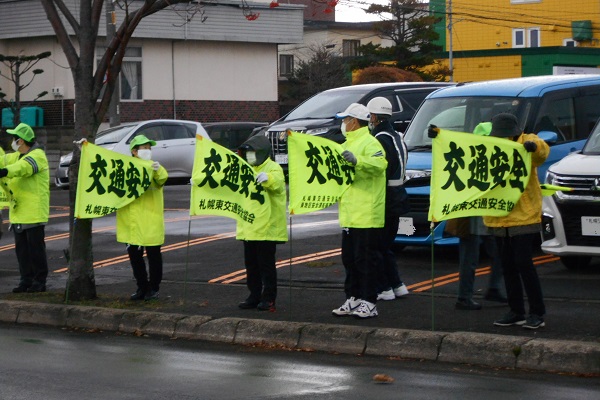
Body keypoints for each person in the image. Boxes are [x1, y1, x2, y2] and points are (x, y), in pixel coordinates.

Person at [483, 113, 549, 329]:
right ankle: (516, 311)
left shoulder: (526, 141)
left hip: (523, 215)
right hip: (498, 217)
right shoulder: (490, 144)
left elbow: (542, 150)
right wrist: (438, 136)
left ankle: (537, 312)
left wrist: (533, 147)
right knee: (507, 266)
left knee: (524, 264)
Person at [332, 103, 387, 319]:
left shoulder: (370, 142)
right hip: (350, 213)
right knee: (350, 260)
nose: (343, 124)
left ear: (354, 121)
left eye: (345, 120)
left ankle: (369, 301)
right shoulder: (348, 143)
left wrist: (358, 161)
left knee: (366, 260)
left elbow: (379, 164)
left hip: (367, 213)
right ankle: (353, 297)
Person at [447, 122, 506, 310]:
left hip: (486, 215)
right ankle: (464, 297)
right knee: (471, 258)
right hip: (473, 216)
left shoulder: (484, 155)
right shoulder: (476, 157)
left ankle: (492, 289)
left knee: (497, 253)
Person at [365, 97, 410, 301]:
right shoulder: (398, 136)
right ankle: (397, 285)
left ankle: (384, 288)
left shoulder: (379, 139)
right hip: (399, 195)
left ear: (374, 116)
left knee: (376, 246)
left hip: (385, 197)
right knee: (385, 245)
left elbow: (379, 169)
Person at [237, 134, 287, 312]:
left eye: (252, 152)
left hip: (266, 227)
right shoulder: (244, 168)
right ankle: (254, 295)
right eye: (247, 153)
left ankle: (269, 298)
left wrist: (269, 179)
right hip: (249, 226)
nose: (249, 156)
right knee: (251, 264)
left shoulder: (273, 168)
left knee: (266, 265)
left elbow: (278, 183)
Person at [116, 135, 168, 301]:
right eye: (143, 148)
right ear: (134, 151)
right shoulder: (125, 168)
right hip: (130, 221)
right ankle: (141, 287)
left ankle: (153, 288)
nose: (147, 151)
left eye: (148, 148)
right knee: (135, 258)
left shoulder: (154, 168)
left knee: (154, 257)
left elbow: (162, 178)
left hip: (150, 219)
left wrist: (157, 169)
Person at [0, 123, 50, 293]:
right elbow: (4, 159)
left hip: (34, 212)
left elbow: (24, 168)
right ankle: (26, 280)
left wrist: (4, 171)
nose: (12, 141)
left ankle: (39, 281)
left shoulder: (37, 155)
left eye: (14, 138)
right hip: (19, 212)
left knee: (35, 250)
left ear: (21, 140)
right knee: (22, 251)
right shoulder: (17, 156)